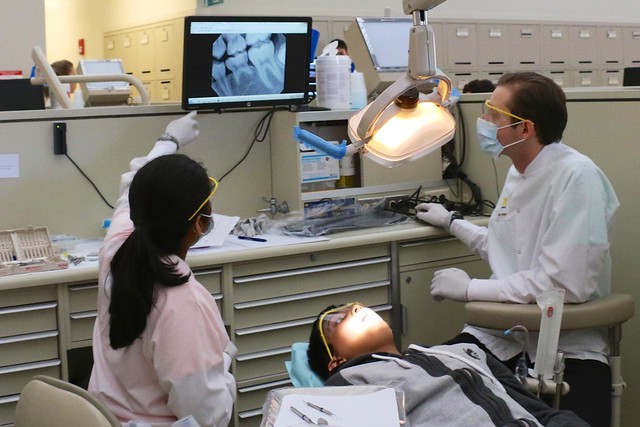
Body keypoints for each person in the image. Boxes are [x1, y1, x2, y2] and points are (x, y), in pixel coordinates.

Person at [415, 71, 619, 427]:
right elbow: (511, 250)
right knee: (418, 389)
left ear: (525, 129)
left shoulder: (576, 177)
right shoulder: (520, 171)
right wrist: (453, 223)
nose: (483, 121)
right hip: (499, 338)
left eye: (493, 113)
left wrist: (470, 289)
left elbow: (563, 286)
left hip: (562, 351)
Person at [88, 111, 237, 427]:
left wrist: (169, 140)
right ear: (199, 224)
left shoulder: (117, 247)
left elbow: (134, 183)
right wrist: (222, 361)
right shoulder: (181, 301)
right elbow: (209, 415)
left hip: (105, 418)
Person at [307, 302, 587, 426]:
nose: (355, 309)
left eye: (354, 305)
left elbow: (541, 412)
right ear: (337, 361)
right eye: (336, 319)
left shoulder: (462, 351)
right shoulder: (350, 384)